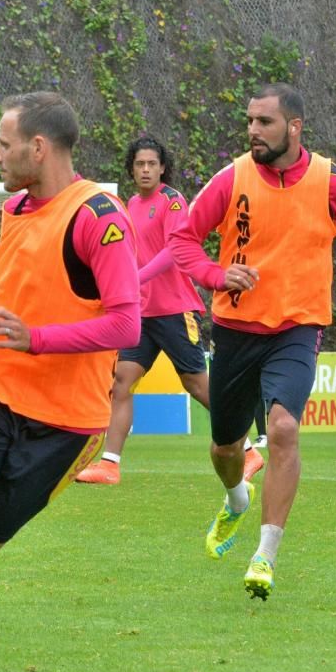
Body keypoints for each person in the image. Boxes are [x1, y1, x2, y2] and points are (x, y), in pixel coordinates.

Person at [168, 82, 336, 601]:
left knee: (284, 427)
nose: (252, 130)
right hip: (234, 332)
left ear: (294, 127)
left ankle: (265, 554)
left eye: (263, 122)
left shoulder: (332, 181)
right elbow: (182, 237)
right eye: (249, 120)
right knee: (225, 446)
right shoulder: (231, 179)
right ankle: (236, 499)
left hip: (298, 328)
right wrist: (216, 274)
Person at [0, 91, 141, 597]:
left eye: (5, 145)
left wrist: (35, 340)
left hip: (63, 425)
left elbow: (126, 326)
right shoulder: (13, 210)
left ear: (38, 147)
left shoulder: (98, 216)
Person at [76, 136, 265, 485]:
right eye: (139, 164)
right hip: (141, 313)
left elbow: (174, 251)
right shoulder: (129, 204)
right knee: (121, 382)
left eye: (151, 164)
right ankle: (110, 464)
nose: (145, 169)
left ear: (162, 168)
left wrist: (135, 278)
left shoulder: (172, 201)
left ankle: (250, 451)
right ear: (131, 169)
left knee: (196, 384)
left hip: (176, 310)